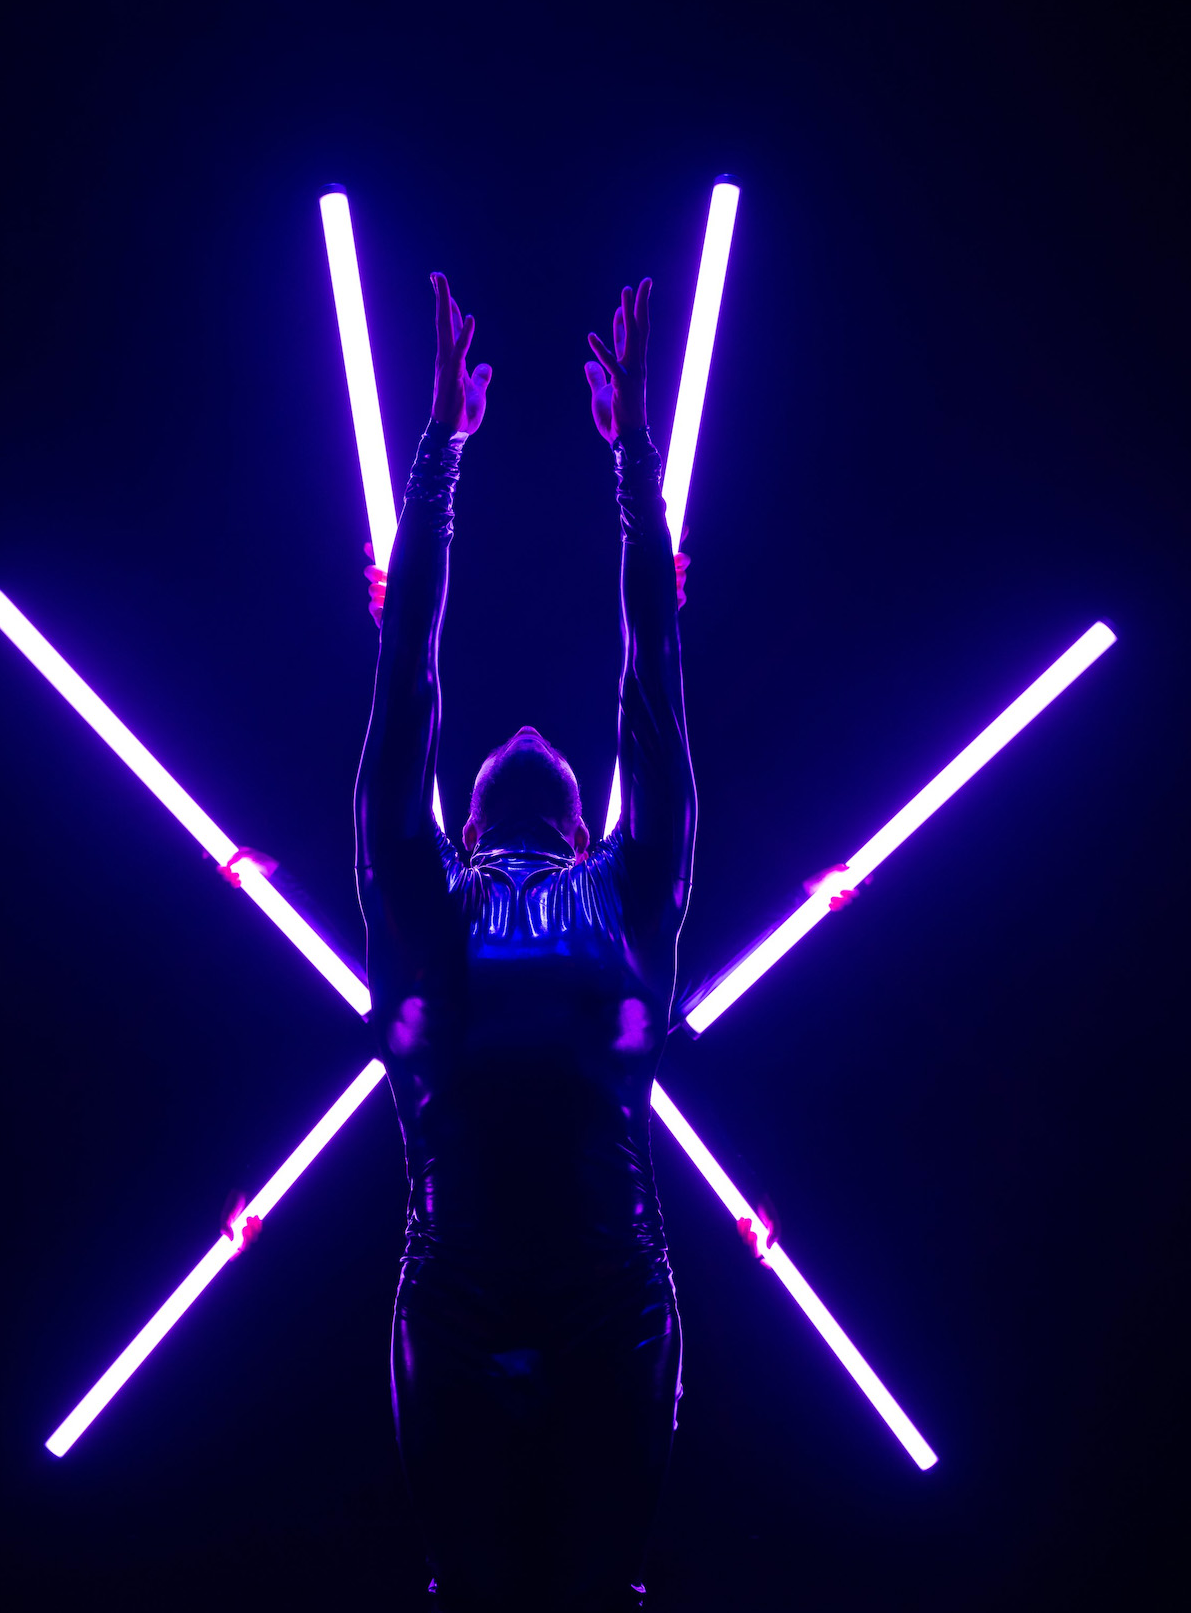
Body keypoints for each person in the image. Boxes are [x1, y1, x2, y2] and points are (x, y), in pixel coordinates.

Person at [354, 272, 696, 1611]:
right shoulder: (429, 899)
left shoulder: (618, 893)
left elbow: (649, 673)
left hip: (611, 1300)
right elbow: (406, 685)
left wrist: (637, 462)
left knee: (603, 1589)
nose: (528, 730)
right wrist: (438, 450)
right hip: (465, 1299)